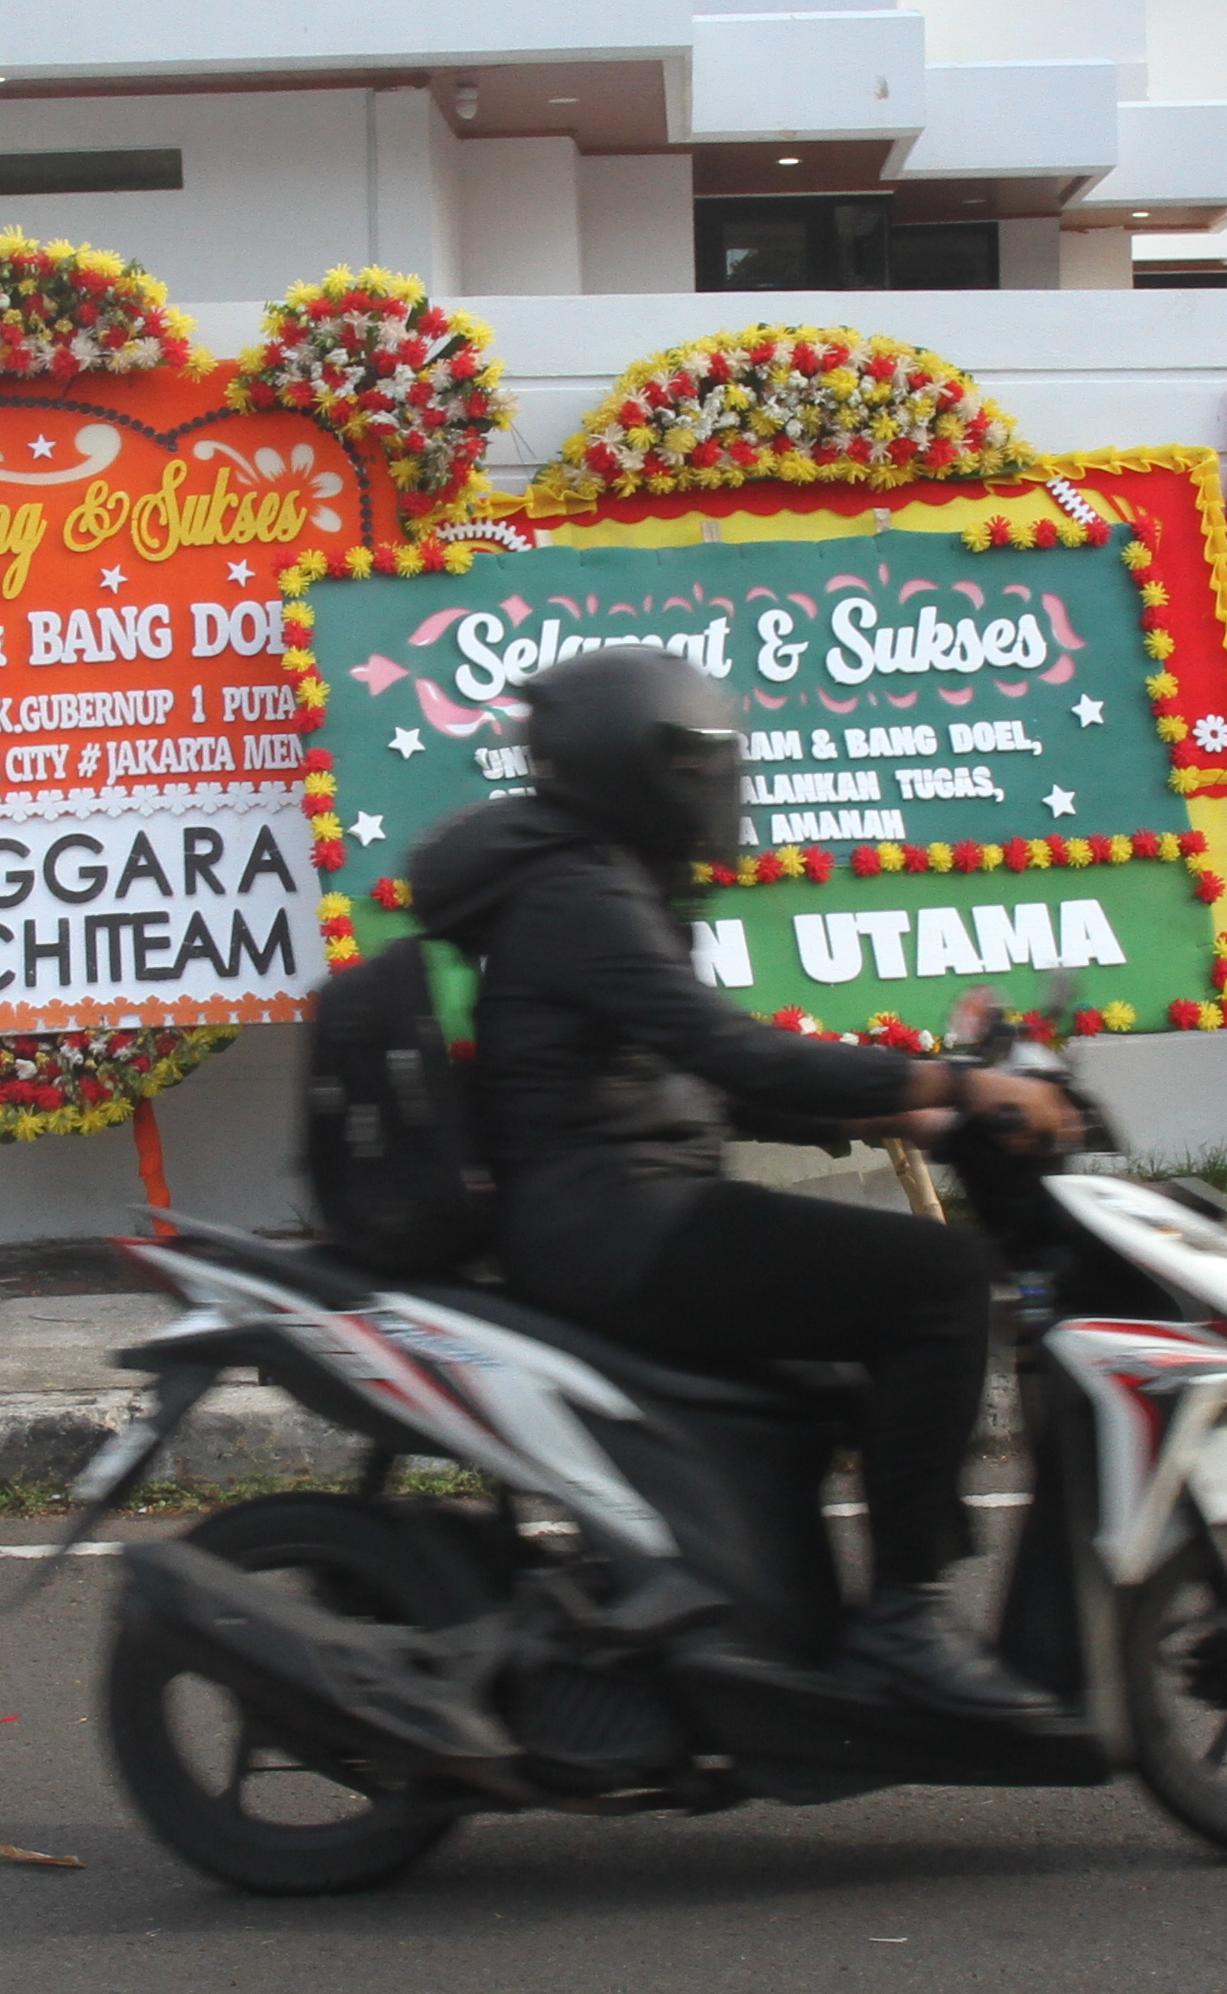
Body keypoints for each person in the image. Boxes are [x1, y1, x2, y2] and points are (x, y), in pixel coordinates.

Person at [404, 645, 1085, 1729]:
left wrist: (913, 1111)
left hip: (624, 1211)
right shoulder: (579, 892)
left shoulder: (591, 876)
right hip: (620, 1228)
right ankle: (904, 1624)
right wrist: (956, 1078)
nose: (725, 790)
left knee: (830, 1384)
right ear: (641, 771)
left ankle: (766, 1637)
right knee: (939, 1279)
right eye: (703, 769)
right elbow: (734, 1055)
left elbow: (692, 1077)